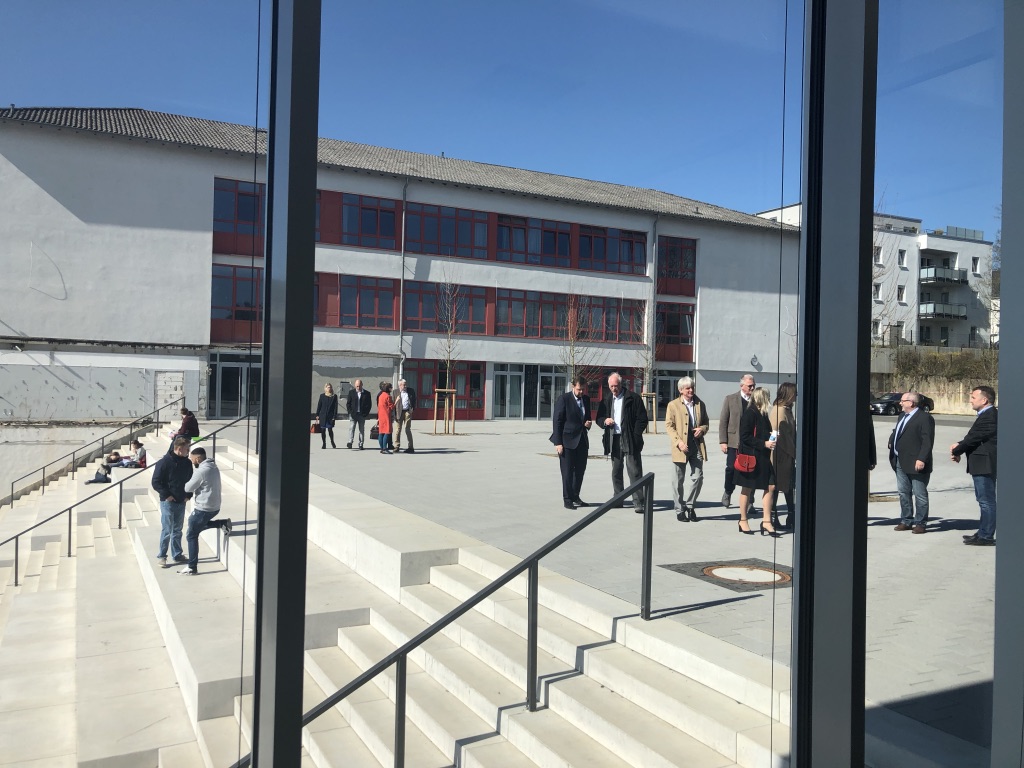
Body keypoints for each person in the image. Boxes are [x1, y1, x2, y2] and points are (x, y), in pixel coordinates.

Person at [951, 385, 998, 546]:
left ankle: (986, 536)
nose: (970, 400)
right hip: (980, 463)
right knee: (983, 500)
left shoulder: (990, 416)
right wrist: (959, 445)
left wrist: (957, 450)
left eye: (973, 397)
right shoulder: (985, 415)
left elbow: (974, 438)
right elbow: (973, 437)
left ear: (984, 400)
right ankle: (983, 532)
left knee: (987, 501)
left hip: (984, 464)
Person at [596, 372, 649, 512]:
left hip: (630, 438)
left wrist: (636, 434)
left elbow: (642, 419)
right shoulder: (606, 399)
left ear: (621, 384)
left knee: (634, 471)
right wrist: (605, 421)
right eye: (611, 386)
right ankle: (618, 499)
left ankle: (638, 502)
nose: (614, 388)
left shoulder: (633, 398)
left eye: (616, 386)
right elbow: (599, 418)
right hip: (614, 438)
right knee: (616, 471)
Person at [179, 446, 232, 575]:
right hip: (215, 506)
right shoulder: (214, 467)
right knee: (196, 525)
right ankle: (222, 523)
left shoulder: (201, 471)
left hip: (204, 508)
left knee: (191, 534)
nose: (191, 461)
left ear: (198, 459)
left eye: (192, 459)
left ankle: (192, 567)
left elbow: (188, 488)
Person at [887, 392, 934, 534]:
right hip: (900, 460)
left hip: (916, 462)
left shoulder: (925, 418)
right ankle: (906, 520)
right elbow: (897, 431)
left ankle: (920, 523)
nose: (900, 403)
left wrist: (921, 459)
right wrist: (891, 441)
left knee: (920, 494)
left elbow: (927, 441)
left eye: (902, 401)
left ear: (911, 403)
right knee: (903, 492)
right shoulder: (902, 416)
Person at [664, 376, 708, 522]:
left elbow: (706, 422)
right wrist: (679, 442)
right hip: (680, 447)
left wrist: (702, 429)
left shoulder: (700, 404)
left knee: (698, 477)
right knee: (677, 481)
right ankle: (679, 509)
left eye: (692, 387)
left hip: (696, 445)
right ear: (681, 390)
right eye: (687, 388)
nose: (691, 390)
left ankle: (690, 506)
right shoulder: (673, 405)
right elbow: (669, 426)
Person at [736, 386, 779, 536]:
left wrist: (772, 436)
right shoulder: (750, 413)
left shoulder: (763, 413)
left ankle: (766, 521)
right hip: (751, 457)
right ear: (762, 398)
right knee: (747, 488)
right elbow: (745, 437)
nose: (769, 400)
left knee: (771, 486)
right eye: (767, 397)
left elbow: (762, 432)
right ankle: (743, 520)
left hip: (763, 457)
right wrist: (764, 443)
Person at [550, 376, 592, 510]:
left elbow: (587, 418)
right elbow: (557, 421)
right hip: (566, 441)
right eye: (579, 389)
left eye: (583, 389)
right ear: (573, 386)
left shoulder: (586, 399)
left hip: (582, 441)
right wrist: (558, 443)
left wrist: (588, 424)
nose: (581, 392)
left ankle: (575, 496)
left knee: (580, 471)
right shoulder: (564, 399)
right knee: (567, 472)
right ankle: (567, 499)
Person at [151, 437, 194, 568]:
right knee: (167, 530)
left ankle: (177, 554)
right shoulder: (164, 462)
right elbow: (156, 482)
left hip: (181, 500)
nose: (188, 451)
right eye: (187, 449)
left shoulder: (187, 463)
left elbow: (191, 480)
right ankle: (162, 556)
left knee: (177, 529)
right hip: (168, 502)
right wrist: (167, 495)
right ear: (179, 449)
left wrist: (188, 495)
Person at [718, 374, 756, 509]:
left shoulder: (756, 400)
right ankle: (728, 491)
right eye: (749, 386)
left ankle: (750, 500)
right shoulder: (730, 399)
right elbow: (723, 421)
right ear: (741, 386)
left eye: (753, 385)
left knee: (751, 470)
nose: (752, 388)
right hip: (734, 442)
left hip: (751, 442)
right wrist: (723, 441)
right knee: (731, 468)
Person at [769, 383, 797, 529]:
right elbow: (779, 436)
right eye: (794, 393)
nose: (796, 396)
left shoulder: (787, 409)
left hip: (787, 455)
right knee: (777, 486)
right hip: (780, 455)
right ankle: (772, 517)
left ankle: (791, 515)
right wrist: (794, 452)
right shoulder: (779, 411)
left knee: (788, 486)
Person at [393, 378, 417, 454]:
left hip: (407, 412)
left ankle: (411, 447)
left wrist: (412, 409)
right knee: (398, 430)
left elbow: (414, 400)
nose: (405, 386)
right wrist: (394, 414)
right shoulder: (395, 392)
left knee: (408, 429)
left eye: (406, 384)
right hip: (399, 412)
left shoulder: (411, 391)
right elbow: (393, 403)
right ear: (400, 385)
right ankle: (396, 446)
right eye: (404, 384)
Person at [346, 379, 372, 449]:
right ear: (355, 385)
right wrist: (350, 412)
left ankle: (361, 444)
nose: (358, 387)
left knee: (361, 430)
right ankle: (350, 442)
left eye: (359, 386)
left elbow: (369, 405)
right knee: (352, 428)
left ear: (362, 385)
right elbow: (348, 403)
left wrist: (366, 413)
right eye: (357, 386)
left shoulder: (367, 393)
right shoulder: (351, 392)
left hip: (361, 415)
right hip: (353, 414)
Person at [315, 383, 339, 449]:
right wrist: (317, 414)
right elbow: (319, 405)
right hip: (323, 416)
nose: (329, 388)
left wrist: (334, 416)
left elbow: (335, 407)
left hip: (330, 416)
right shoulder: (322, 396)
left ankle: (332, 441)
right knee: (323, 430)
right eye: (328, 387)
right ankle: (324, 443)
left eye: (330, 387)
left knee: (330, 429)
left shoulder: (334, 396)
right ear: (325, 388)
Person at [376, 382, 394, 454]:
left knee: (381, 432)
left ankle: (381, 448)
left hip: (381, 415)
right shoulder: (388, 396)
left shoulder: (380, 396)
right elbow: (391, 407)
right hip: (386, 416)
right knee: (387, 431)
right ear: (388, 389)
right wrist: (396, 401)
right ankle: (384, 448)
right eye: (391, 387)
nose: (391, 389)